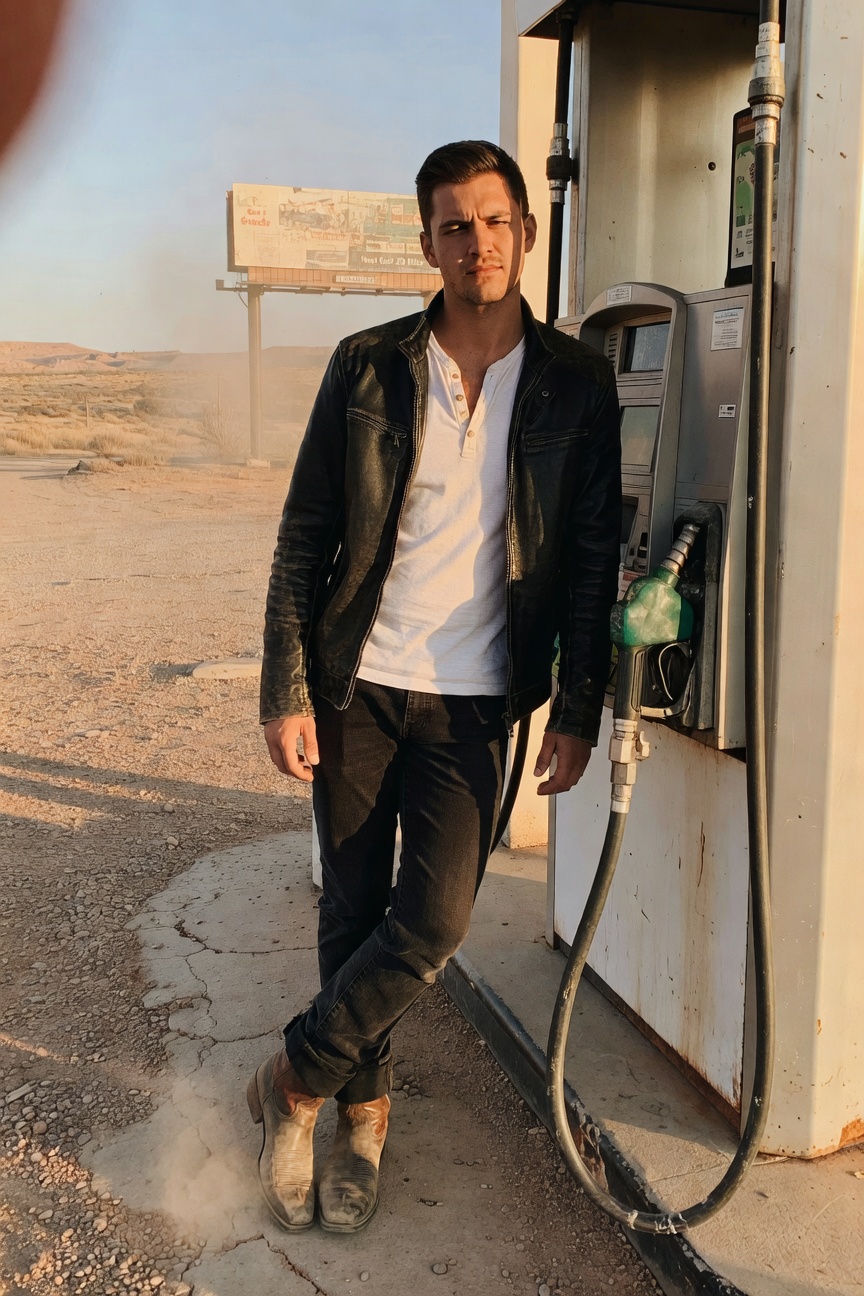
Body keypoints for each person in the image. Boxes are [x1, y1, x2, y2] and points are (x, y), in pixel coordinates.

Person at [248, 140, 621, 1234]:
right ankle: (359, 1117)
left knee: (435, 921)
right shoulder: (367, 365)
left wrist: (579, 704)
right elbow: (304, 537)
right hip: (358, 679)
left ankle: (293, 1081)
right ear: (428, 244)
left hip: (475, 700)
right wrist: (286, 687)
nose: (477, 243)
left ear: (525, 231)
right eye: (454, 226)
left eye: (495, 220)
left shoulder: (575, 383)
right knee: (352, 908)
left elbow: (593, 552)